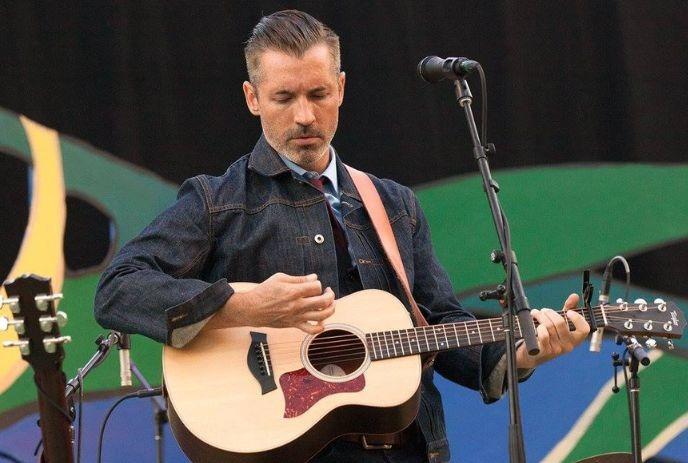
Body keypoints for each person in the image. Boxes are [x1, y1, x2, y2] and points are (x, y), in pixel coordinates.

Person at [94, 10, 590, 463]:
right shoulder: (217, 201)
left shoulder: (394, 204)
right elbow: (119, 288)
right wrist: (242, 308)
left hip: (408, 452)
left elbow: (440, 327)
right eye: (284, 98)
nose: (305, 116)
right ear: (252, 98)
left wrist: (525, 351)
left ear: (342, 88)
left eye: (318, 94)